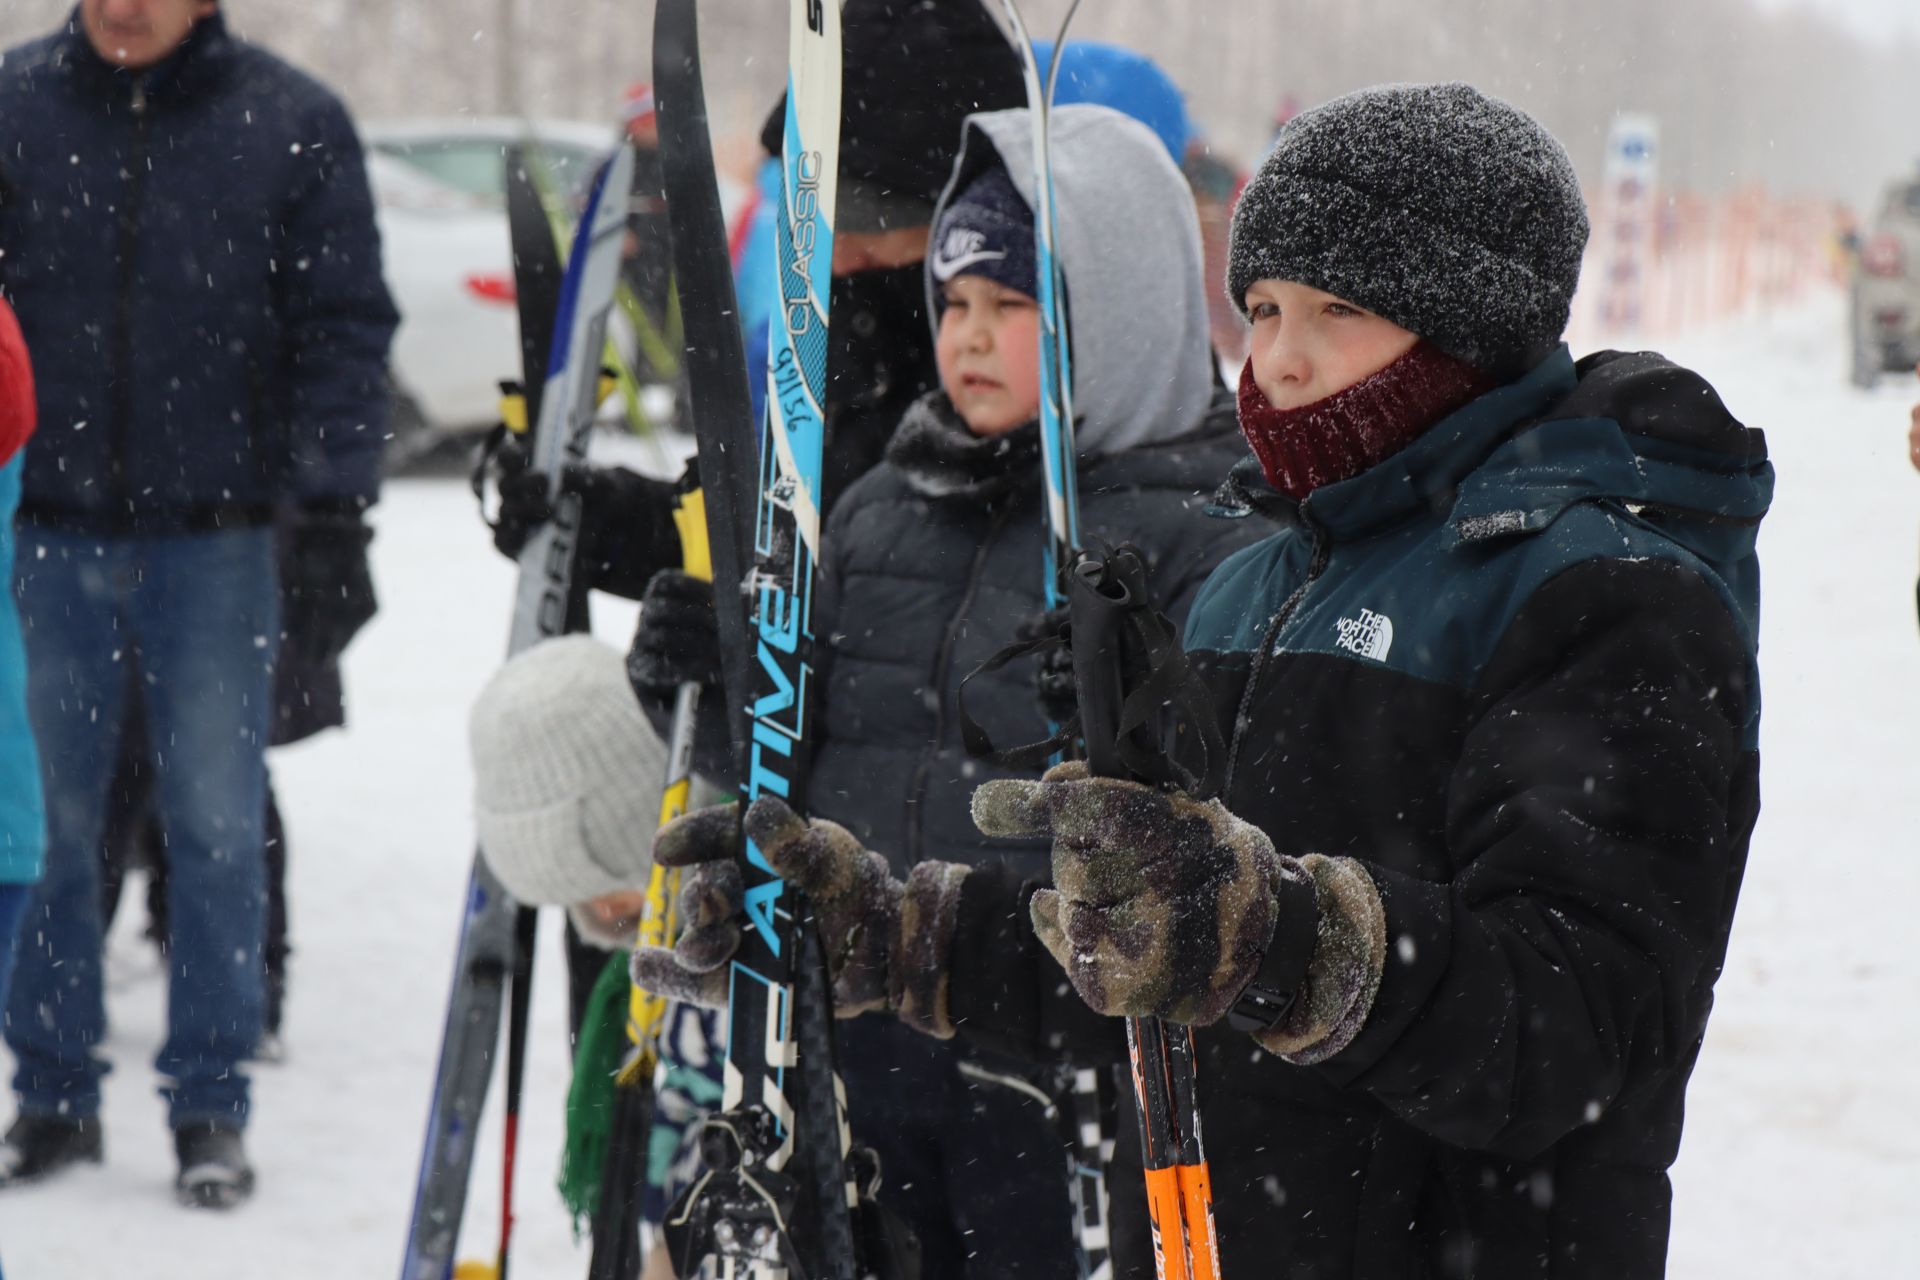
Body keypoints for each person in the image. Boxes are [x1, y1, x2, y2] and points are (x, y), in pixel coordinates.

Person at [635, 83, 1773, 1279]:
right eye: (1265, 305)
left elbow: (1580, 1027)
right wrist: (892, 934)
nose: (1279, 358)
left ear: (1468, 325)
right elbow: (1158, 969)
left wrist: (1276, 935)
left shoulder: (1606, 595)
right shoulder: (1255, 582)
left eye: (1337, 309)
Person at [627, 103, 1271, 1276]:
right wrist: (710, 692)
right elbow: (796, 750)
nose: (968, 334)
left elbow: (1230, 817)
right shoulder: (880, 507)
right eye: (955, 301)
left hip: (1059, 1064)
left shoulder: (1203, 535)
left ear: (1113, 314)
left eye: (1014, 305)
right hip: (860, 1034)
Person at [0, 0, 397, 1208]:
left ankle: (212, 1100)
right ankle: (53, 1089)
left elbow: (344, 325)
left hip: (219, 538)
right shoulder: (12, 109)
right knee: (48, 831)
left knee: (219, 830)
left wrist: (333, 508)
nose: (126, 5)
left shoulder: (290, 122)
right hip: (42, 530)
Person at [486, 0, 1025, 601]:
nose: (837, 256)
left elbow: (949, 621)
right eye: (819, 227)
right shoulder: (829, 343)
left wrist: (791, 654)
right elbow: (749, 529)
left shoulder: (1018, 387)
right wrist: (594, 521)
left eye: (869, 226)